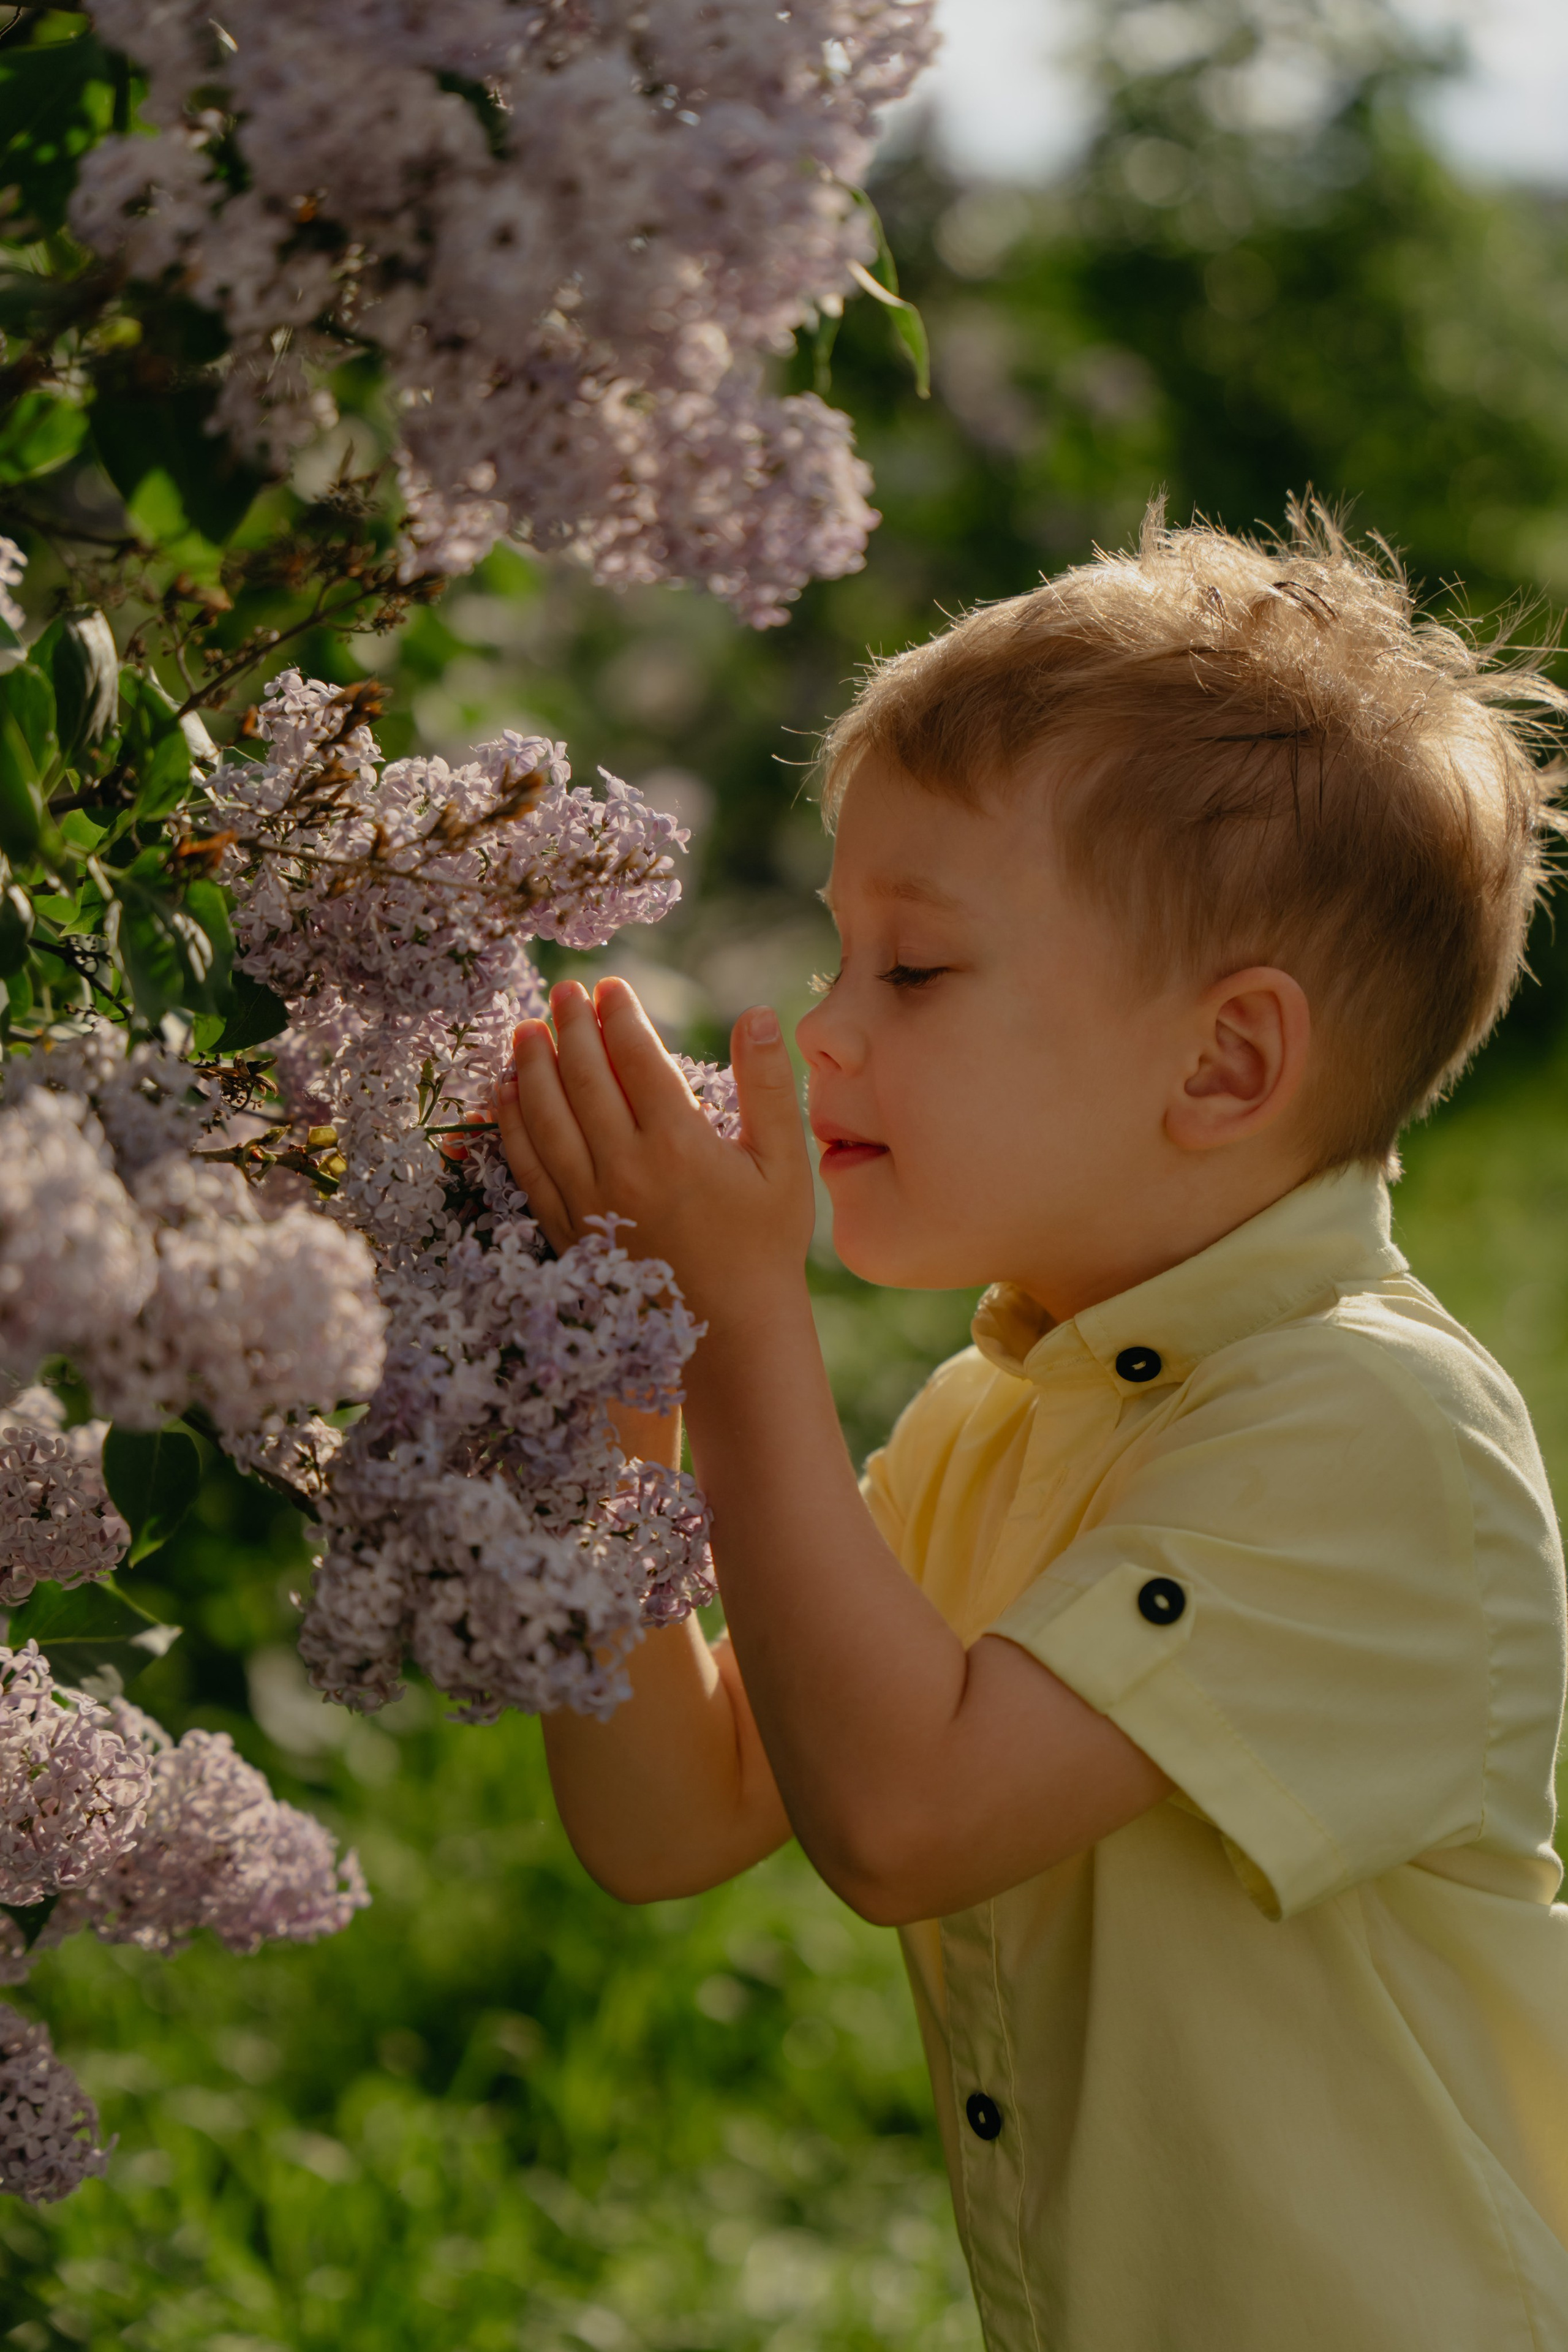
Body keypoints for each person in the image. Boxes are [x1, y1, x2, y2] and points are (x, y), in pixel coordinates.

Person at [491, 502, 1568, 2351]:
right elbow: (673, 1815)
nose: (826, 1033)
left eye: (913, 973)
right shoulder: (998, 1419)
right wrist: (623, 1387)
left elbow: (902, 1819)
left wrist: (743, 1326)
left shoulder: (1371, 1428)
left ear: (1224, 1062)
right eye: (840, 959)